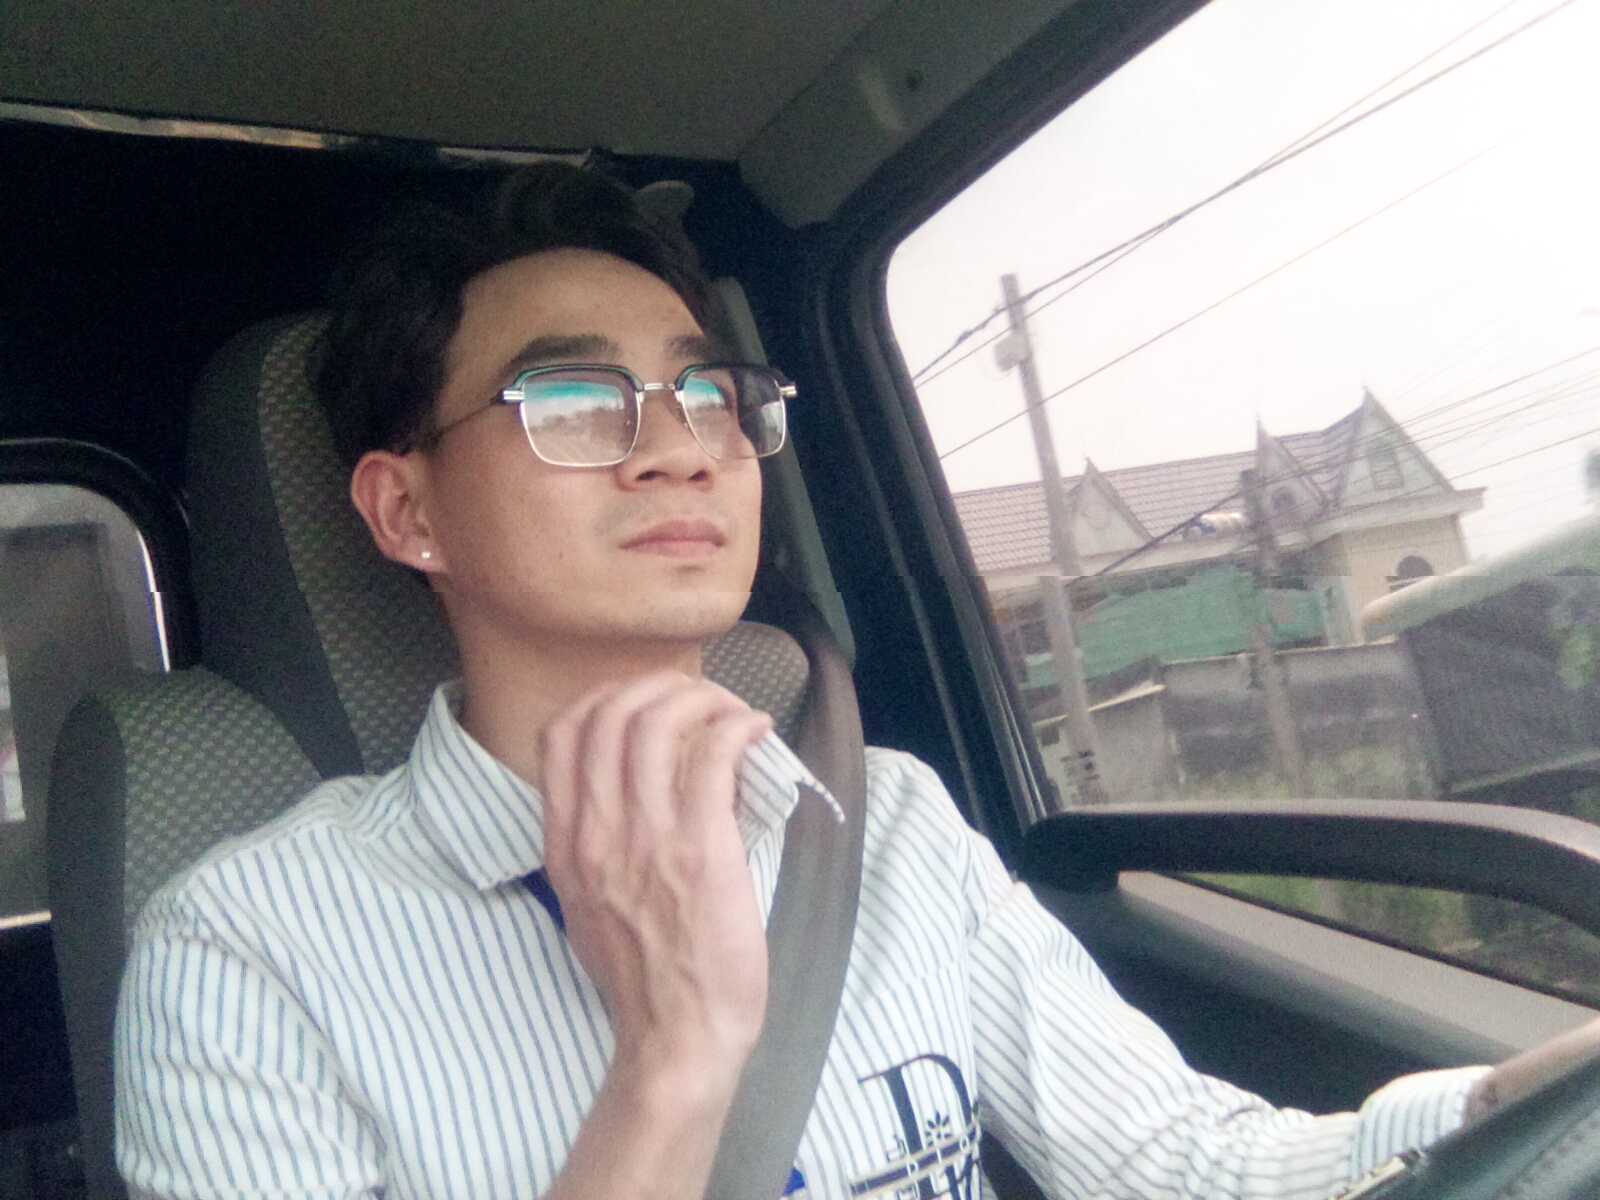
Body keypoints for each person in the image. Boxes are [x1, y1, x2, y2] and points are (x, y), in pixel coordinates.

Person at [113, 164, 1588, 1200]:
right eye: (573, 399)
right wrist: (674, 1063)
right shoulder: (247, 951)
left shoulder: (885, 823)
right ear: (406, 511)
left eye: (709, 392)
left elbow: (1189, 1168)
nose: (682, 447)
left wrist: (1538, 1098)